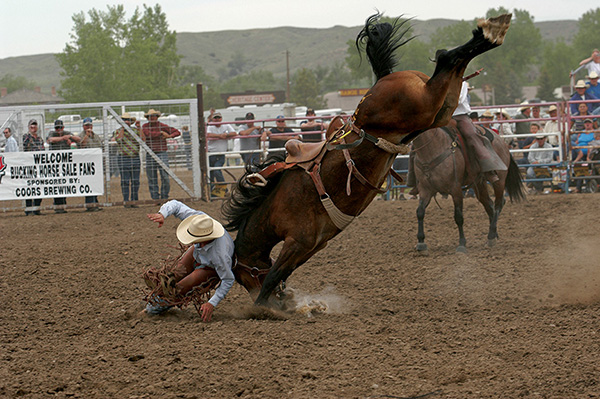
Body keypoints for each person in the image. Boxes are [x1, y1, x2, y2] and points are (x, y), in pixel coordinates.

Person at [143, 200, 235, 322]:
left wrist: (212, 303)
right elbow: (176, 205)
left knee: (179, 289)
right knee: (172, 276)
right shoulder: (199, 221)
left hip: (210, 268)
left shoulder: (220, 255)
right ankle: (155, 301)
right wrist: (162, 214)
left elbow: (228, 279)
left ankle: (150, 310)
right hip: (199, 252)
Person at [451, 80, 506, 183]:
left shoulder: (461, 82)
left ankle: (489, 169)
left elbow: (458, 100)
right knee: (422, 135)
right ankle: (416, 179)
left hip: (460, 116)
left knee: (472, 135)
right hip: (442, 117)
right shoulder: (438, 79)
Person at [142, 109, 181, 201]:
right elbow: (147, 134)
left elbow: (177, 132)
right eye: (150, 116)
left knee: (165, 176)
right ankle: (155, 198)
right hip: (150, 152)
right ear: (148, 118)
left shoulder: (162, 126)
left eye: (154, 116)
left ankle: (164, 196)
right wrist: (161, 133)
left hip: (161, 152)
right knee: (152, 177)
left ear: (157, 117)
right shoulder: (146, 126)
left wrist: (169, 136)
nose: (152, 118)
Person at [47, 119, 80, 213]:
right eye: (57, 128)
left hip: (65, 163)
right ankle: (57, 205)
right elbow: (50, 140)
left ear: (63, 127)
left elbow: (78, 139)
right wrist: (63, 138)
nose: (59, 130)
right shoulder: (52, 133)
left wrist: (69, 137)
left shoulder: (67, 133)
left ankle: (63, 203)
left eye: (60, 127)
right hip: (55, 164)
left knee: (64, 183)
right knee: (57, 184)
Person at [113, 113, 142, 208]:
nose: (126, 121)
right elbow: (118, 140)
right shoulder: (117, 131)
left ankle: (134, 200)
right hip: (123, 157)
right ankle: (126, 200)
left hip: (135, 157)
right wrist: (123, 129)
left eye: (128, 120)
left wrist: (139, 128)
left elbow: (143, 140)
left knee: (135, 180)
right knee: (124, 180)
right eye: (124, 120)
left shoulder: (136, 131)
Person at [206, 112, 237, 197]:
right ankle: (215, 192)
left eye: (218, 118)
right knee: (211, 173)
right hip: (211, 153)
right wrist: (220, 135)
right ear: (213, 119)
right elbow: (208, 135)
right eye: (215, 118)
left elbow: (234, 133)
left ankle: (223, 190)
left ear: (221, 118)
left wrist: (226, 134)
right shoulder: (210, 126)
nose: (217, 119)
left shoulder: (225, 125)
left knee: (216, 170)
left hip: (220, 153)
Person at [78, 117, 102, 211]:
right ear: (83, 126)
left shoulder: (95, 135)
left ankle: (94, 202)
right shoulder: (80, 135)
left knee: (95, 183)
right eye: (86, 125)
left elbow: (100, 146)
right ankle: (89, 204)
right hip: (86, 164)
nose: (88, 127)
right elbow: (81, 145)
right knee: (88, 184)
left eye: (89, 125)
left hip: (95, 163)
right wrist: (87, 136)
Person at [23, 119, 45, 215]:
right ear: (29, 127)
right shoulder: (26, 137)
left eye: (35, 126)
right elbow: (24, 146)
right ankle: (28, 208)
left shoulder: (40, 139)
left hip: (39, 166)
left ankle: (36, 207)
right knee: (29, 187)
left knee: (39, 186)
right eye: (31, 126)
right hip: (29, 165)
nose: (33, 128)